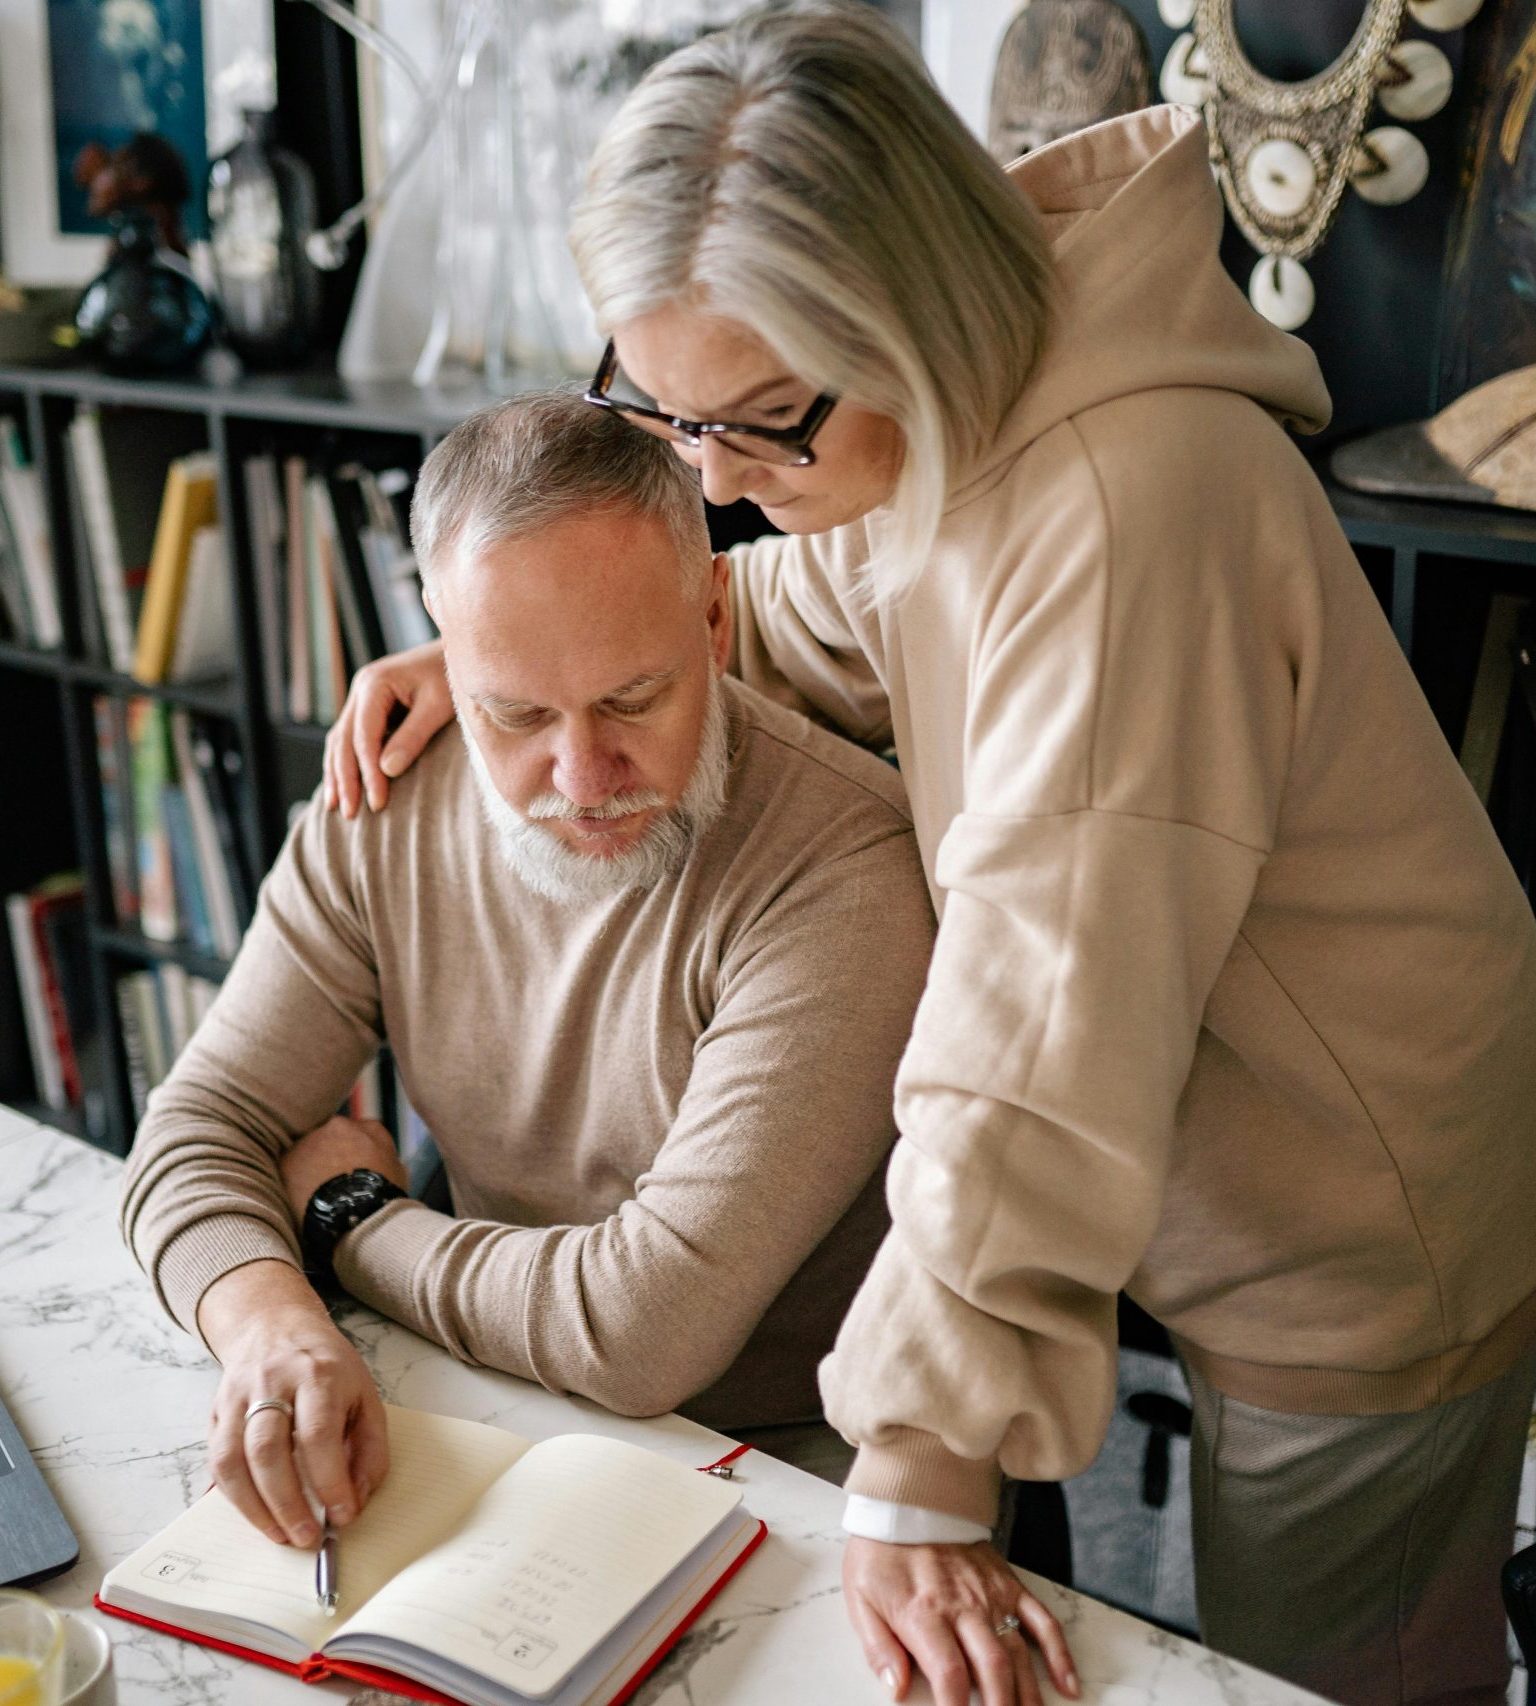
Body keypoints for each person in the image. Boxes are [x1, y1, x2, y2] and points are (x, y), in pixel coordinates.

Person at [321, 8, 1536, 1704]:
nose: (710, 480)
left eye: (756, 425)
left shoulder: (1119, 519)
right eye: (662, 412)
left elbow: (1032, 1035)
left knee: (1330, 1678)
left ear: (901, 320)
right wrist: (535, 673)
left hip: (1370, 1225)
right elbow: (800, 603)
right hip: (1235, 1161)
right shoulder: (937, 417)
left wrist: (920, 1465)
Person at [118, 392, 935, 1556]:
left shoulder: (844, 870)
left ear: (713, 620)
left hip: (792, 1468)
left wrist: (349, 1218)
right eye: (514, 712)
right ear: (446, 656)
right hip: (495, 1400)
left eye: (632, 698)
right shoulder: (385, 791)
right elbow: (197, 1126)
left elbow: (640, 1329)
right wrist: (267, 1325)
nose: (582, 773)